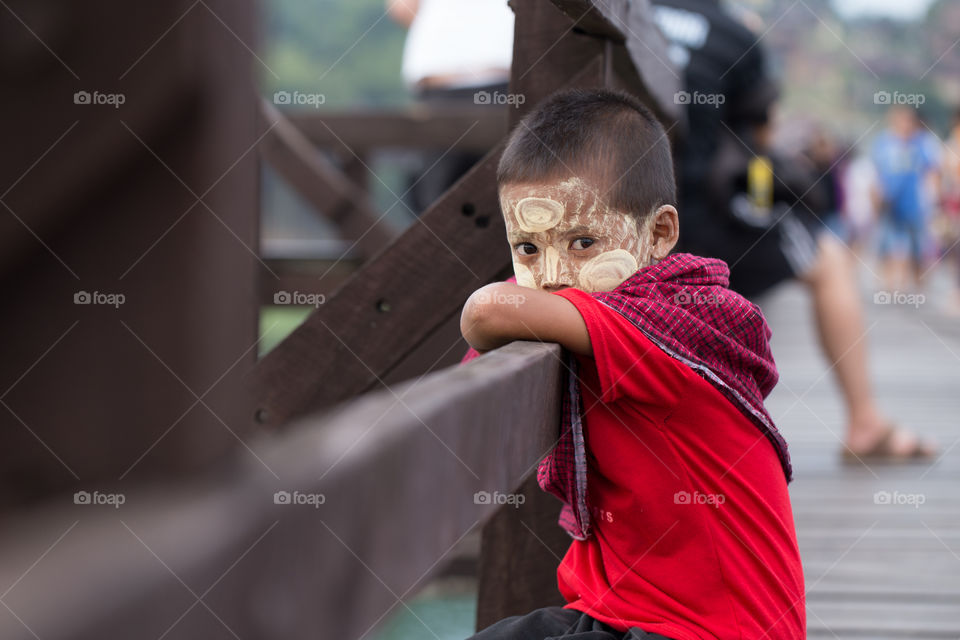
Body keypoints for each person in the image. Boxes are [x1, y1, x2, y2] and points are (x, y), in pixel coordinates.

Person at [460, 89, 805, 639]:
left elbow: (489, 309)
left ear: (660, 233)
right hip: (617, 613)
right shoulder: (593, 312)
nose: (552, 275)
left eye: (582, 241)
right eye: (527, 248)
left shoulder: (672, 321)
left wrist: (502, 303)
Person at [651, 0, 935, 461]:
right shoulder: (731, 34)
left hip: (618, 223)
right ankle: (865, 423)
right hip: (696, 224)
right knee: (830, 257)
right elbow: (757, 134)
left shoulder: (627, 14)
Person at [871, 105, 941, 293]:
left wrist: (933, 199)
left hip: (915, 204)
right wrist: (876, 198)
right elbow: (877, 174)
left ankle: (918, 281)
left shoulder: (923, 142)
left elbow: (933, 171)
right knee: (888, 243)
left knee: (918, 245)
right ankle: (890, 282)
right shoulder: (884, 142)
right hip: (889, 202)